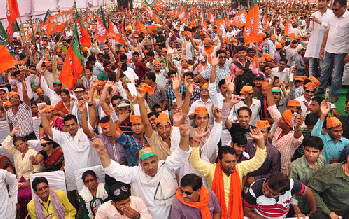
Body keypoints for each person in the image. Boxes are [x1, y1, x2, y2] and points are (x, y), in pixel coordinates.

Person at [91, 120, 192, 219]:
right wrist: (102, 152)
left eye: (153, 162)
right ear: (140, 164)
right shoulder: (135, 173)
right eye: (146, 164)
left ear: (157, 159)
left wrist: (184, 137)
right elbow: (112, 169)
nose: (150, 167)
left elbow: (181, 154)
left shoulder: (166, 166)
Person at [189, 127, 267, 219]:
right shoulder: (211, 170)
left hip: (235, 214)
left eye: (234, 161)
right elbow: (195, 161)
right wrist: (197, 140)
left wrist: (261, 140)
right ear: (219, 162)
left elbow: (258, 161)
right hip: (216, 214)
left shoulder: (239, 168)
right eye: (228, 162)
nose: (232, 165)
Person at [39, 105, 101, 211]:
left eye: (73, 124)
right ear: (65, 127)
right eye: (68, 126)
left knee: (94, 199)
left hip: (89, 172)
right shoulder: (63, 137)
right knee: (74, 196)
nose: (71, 127)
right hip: (72, 173)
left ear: (77, 124)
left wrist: (84, 110)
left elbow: (91, 120)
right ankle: (78, 211)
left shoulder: (85, 132)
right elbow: (47, 128)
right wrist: (42, 114)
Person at [2, 127, 41, 218]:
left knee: (27, 194)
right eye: (17, 145)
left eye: (21, 144)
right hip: (19, 180)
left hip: (30, 179)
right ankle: (21, 215)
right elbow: (5, 144)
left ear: (26, 142)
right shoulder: (16, 152)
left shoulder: (33, 152)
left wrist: (29, 181)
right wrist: (12, 133)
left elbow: (37, 169)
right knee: (13, 196)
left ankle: (32, 214)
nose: (20, 147)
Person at [243, 172, 317, 219]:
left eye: (271, 193)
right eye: (266, 188)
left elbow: (308, 192)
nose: (266, 192)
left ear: (282, 193)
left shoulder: (292, 185)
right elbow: (247, 211)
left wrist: (313, 212)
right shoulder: (255, 189)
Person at [318, 0, 349, 103]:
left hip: (341, 51)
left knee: (336, 74)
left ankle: (335, 94)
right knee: (325, 70)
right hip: (329, 49)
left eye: (336, 9)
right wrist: (322, 47)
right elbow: (328, 32)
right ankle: (320, 88)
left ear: (344, 7)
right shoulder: (332, 17)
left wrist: (348, 54)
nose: (334, 11)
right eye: (333, 9)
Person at [289, 136, 326, 216]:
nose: (310, 155)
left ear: (321, 152)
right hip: (301, 205)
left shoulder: (322, 160)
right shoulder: (295, 166)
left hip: (319, 203)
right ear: (303, 148)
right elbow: (291, 190)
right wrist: (296, 209)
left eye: (315, 152)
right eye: (307, 150)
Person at [308, 148, 349, 218]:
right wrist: (327, 211)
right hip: (329, 214)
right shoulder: (330, 171)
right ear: (348, 157)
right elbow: (311, 190)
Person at [244, 120, 281, 187]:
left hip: (262, 186)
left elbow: (275, 173)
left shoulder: (273, 152)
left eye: (262, 132)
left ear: (268, 134)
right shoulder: (246, 145)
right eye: (257, 131)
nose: (259, 134)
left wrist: (256, 178)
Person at [304, 0, 333, 77]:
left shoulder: (331, 14)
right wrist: (307, 23)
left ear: (327, 2)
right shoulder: (314, 14)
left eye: (323, 1)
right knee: (311, 68)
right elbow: (309, 30)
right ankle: (311, 87)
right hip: (313, 44)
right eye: (319, 1)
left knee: (323, 68)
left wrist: (320, 22)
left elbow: (332, 28)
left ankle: (323, 87)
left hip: (324, 45)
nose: (320, 3)